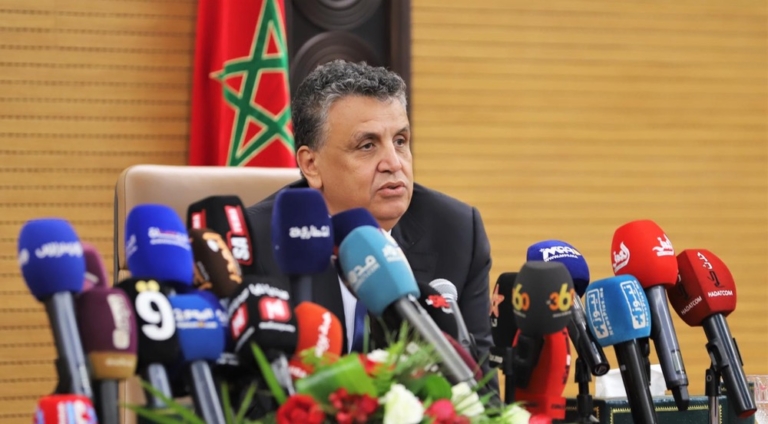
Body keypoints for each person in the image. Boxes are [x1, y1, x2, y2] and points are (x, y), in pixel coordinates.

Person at [245, 59, 496, 390]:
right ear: (311, 164)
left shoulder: (456, 232)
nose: (394, 163)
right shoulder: (253, 242)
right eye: (367, 145)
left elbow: (482, 393)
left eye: (401, 141)